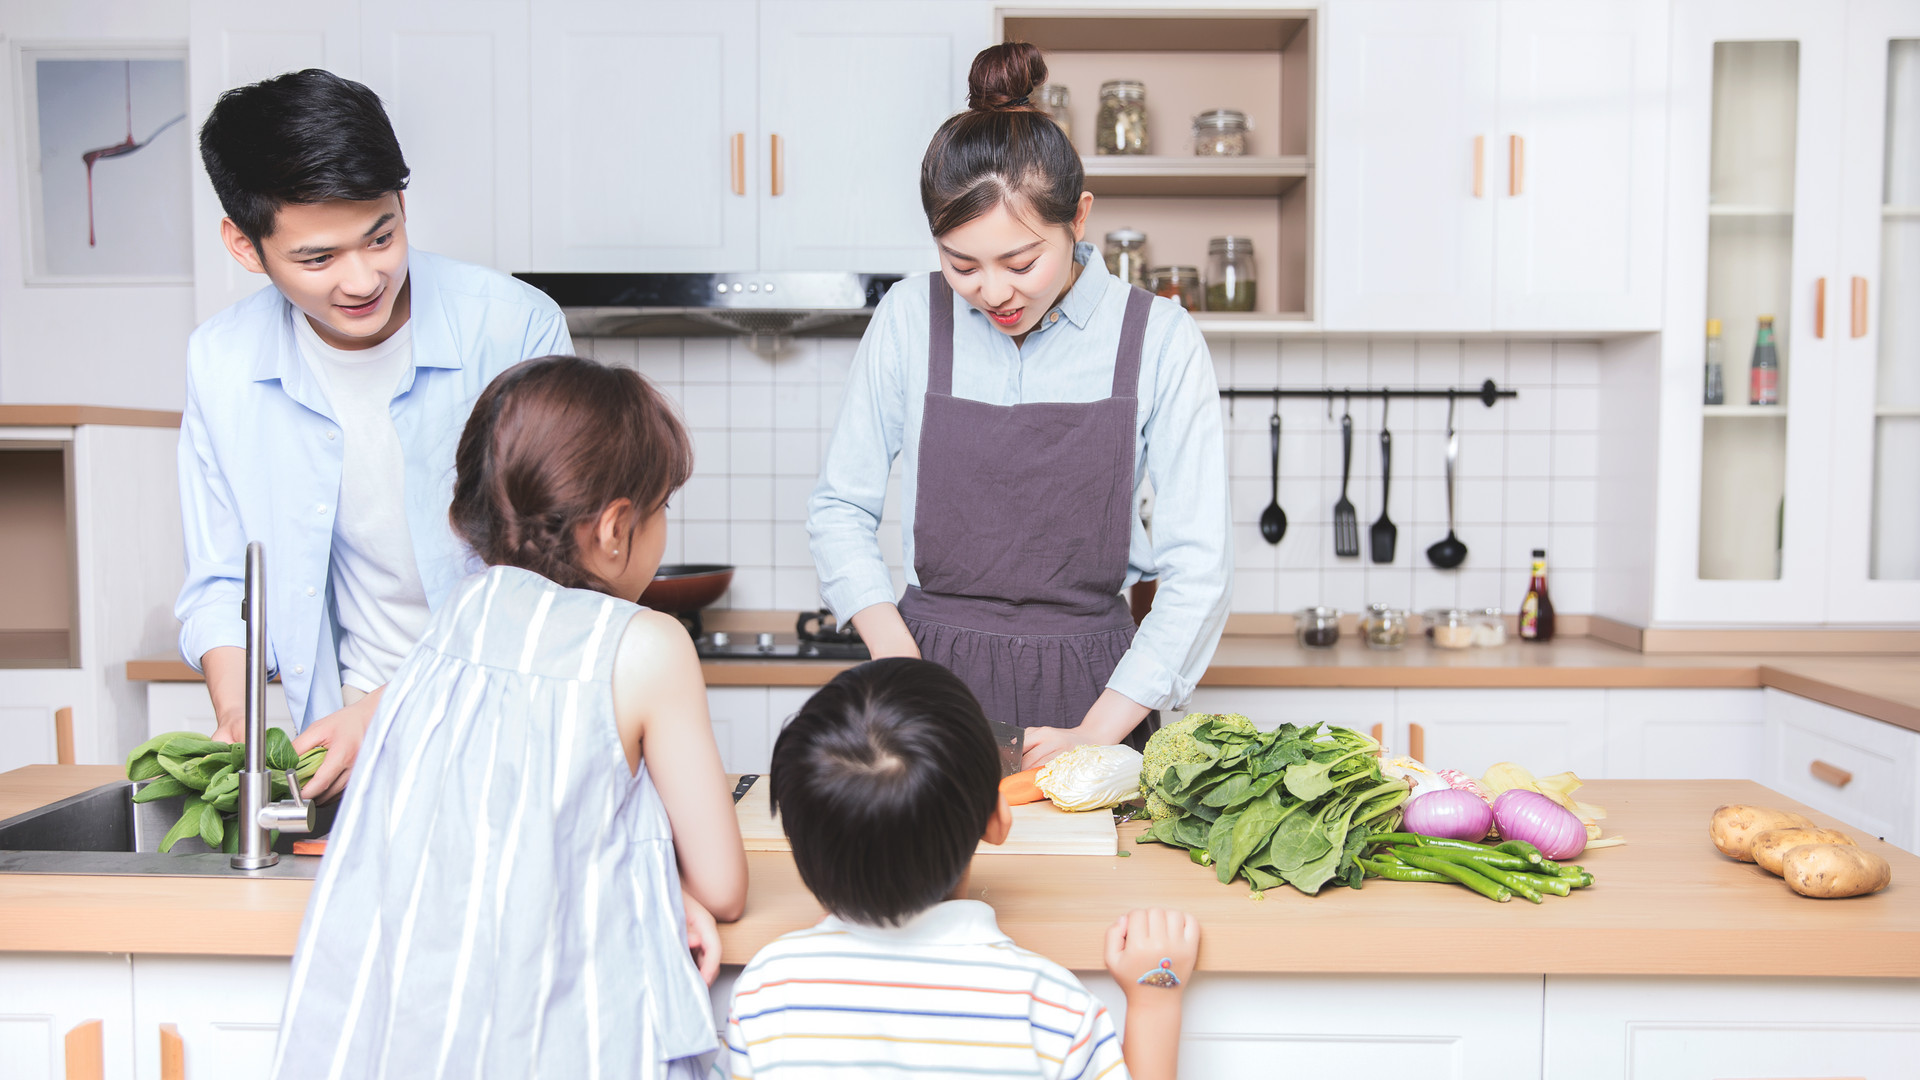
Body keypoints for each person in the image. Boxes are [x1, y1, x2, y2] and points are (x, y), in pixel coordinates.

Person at [271, 356, 748, 1080]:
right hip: (567, 1043)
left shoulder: (458, 614)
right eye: (661, 510)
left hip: (418, 1033)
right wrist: (673, 883)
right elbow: (722, 884)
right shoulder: (647, 645)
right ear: (617, 527)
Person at [808, 42, 1231, 768]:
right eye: (961, 263)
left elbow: (1200, 566)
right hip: (924, 680)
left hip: (1097, 688)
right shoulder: (911, 317)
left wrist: (1095, 734)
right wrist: (901, 666)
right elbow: (839, 509)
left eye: (1022, 261)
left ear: (1080, 219)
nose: (993, 291)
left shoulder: (1159, 336)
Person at [177, 68, 572, 799]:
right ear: (243, 245)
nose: (362, 279)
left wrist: (391, 711)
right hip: (345, 739)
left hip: (510, 726)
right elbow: (223, 578)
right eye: (317, 258)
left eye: (381, 236)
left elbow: (553, 576)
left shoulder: (514, 326)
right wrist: (237, 713)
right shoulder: (222, 362)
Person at [723, 657, 1199, 1080]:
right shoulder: (1046, 1006)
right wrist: (1156, 994)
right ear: (998, 819)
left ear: (799, 844)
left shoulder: (767, 990)